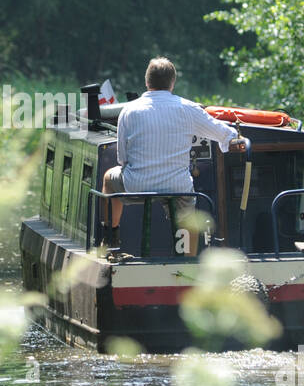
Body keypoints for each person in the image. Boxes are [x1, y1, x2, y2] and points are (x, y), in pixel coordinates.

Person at [100, 57, 248, 246]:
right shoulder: (188, 108)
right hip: (177, 186)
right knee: (187, 204)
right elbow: (224, 133)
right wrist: (236, 139)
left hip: (137, 185)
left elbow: (123, 159)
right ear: (173, 82)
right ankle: (187, 260)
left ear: (147, 82)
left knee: (108, 179)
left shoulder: (128, 110)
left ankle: (111, 239)